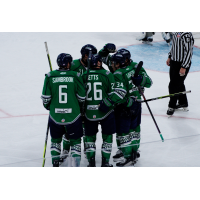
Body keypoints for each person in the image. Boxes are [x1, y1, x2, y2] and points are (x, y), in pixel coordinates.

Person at [99, 45, 153, 166]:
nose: (112, 64)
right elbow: (102, 58)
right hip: (136, 103)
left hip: (124, 105)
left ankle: (129, 155)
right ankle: (131, 150)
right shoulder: (132, 66)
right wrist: (104, 50)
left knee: (124, 131)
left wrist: (108, 102)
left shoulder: (119, 72)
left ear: (122, 62)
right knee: (134, 129)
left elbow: (148, 82)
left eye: (115, 62)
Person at [41, 53, 86, 167]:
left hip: (55, 116)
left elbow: (46, 98)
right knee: (75, 141)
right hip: (73, 116)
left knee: (55, 141)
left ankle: (55, 164)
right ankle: (75, 165)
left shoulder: (50, 76)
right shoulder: (75, 75)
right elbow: (82, 97)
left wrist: (49, 107)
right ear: (69, 63)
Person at [82, 54, 125, 167]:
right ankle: (105, 162)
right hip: (106, 112)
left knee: (90, 137)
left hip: (89, 112)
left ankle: (91, 162)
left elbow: (79, 96)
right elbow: (118, 93)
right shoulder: (107, 74)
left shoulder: (83, 75)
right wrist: (109, 101)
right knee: (107, 137)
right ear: (100, 63)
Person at [166, 32, 194, 116]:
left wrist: (184, 66)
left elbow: (189, 52)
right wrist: (170, 56)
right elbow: (174, 46)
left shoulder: (186, 34)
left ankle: (172, 106)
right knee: (179, 84)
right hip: (174, 62)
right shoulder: (176, 32)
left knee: (173, 85)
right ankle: (183, 102)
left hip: (182, 64)